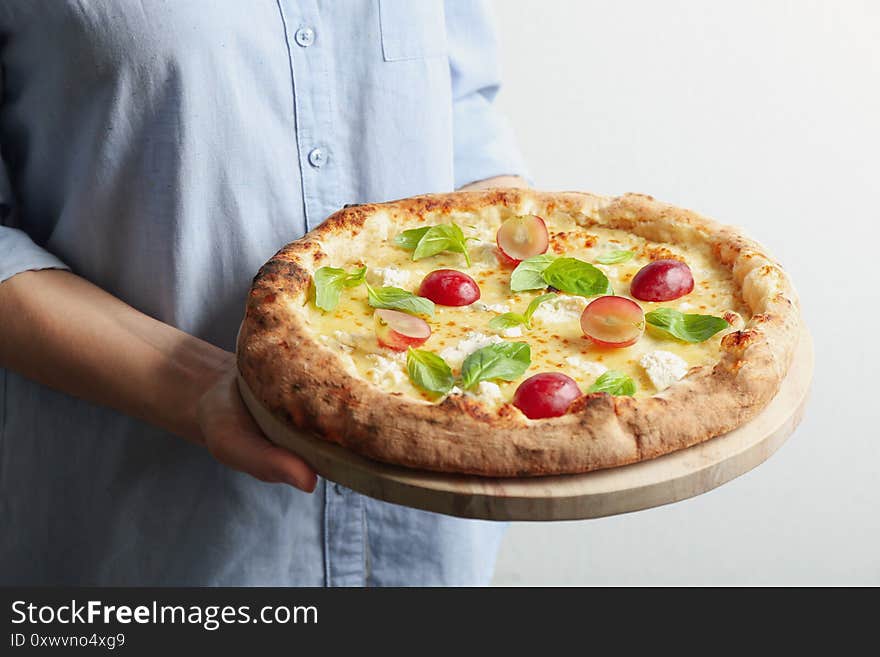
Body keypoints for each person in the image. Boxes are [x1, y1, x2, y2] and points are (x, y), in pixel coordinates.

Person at [0, 1, 528, 585]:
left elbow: (461, 112)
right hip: (162, 542)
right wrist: (198, 385)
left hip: (433, 540)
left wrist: (542, 329)